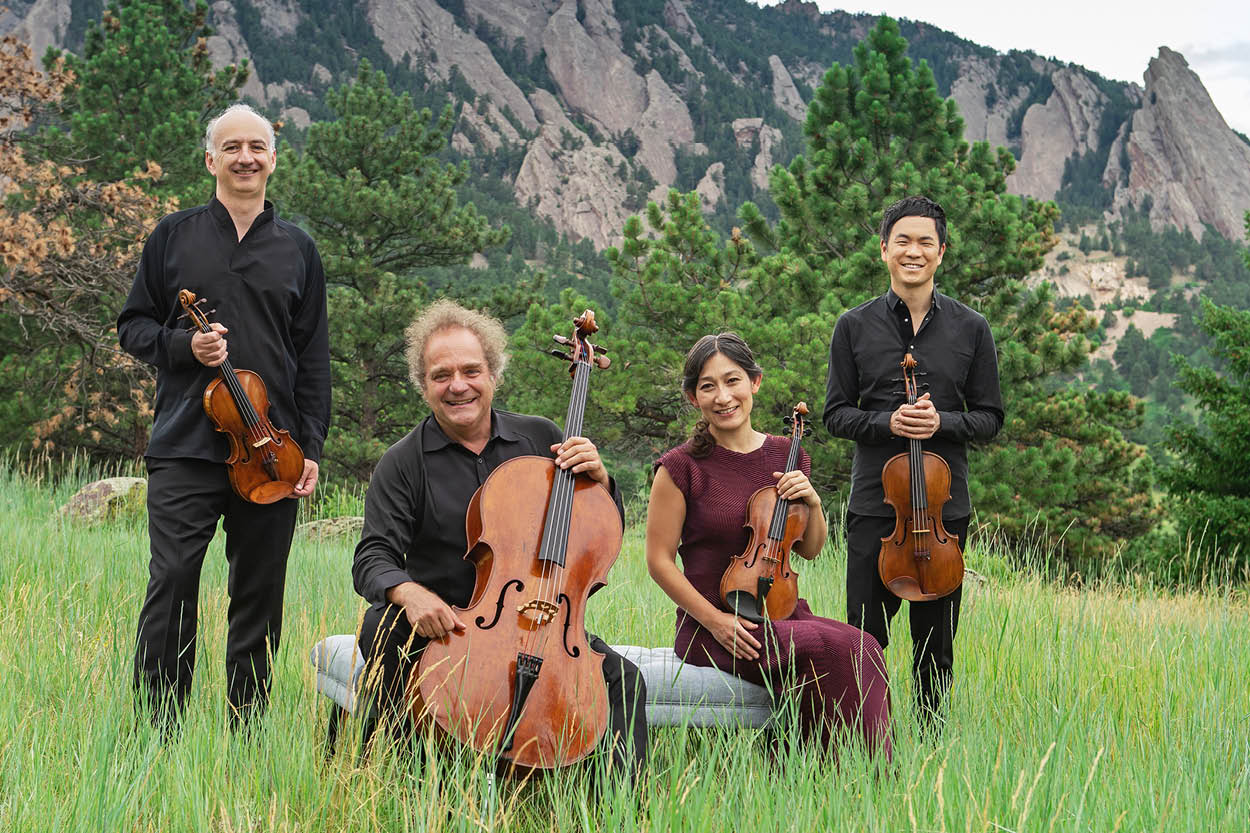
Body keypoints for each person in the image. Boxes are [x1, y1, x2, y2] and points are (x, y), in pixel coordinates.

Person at [351, 299, 647, 777]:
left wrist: (603, 480)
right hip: (446, 621)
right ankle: (400, 775)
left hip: (541, 618)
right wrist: (409, 593)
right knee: (381, 625)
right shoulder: (403, 462)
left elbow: (599, 531)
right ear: (423, 385)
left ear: (494, 373)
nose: (458, 386)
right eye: (441, 375)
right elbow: (372, 556)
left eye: (472, 370)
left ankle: (615, 805)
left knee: (623, 681)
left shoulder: (541, 438)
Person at [118, 103, 331, 727]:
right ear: (211, 160)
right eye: (232, 147)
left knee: (260, 593)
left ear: (273, 159)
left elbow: (312, 358)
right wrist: (185, 347)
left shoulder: (298, 249)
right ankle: (156, 729)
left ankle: (247, 730)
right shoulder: (173, 237)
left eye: (257, 147)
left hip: (272, 451)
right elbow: (132, 326)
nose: (246, 158)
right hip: (185, 445)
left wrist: (310, 447)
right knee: (174, 582)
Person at [645, 333, 892, 758]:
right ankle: (854, 777)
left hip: (781, 615)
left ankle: (836, 776)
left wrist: (813, 502)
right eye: (708, 386)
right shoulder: (680, 467)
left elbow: (810, 550)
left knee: (865, 645)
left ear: (755, 383)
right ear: (692, 397)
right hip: (716, 629)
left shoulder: (786, 454)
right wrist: (715, 622)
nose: (723, 396)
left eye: (733, 380)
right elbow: (658, 561)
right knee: (847, 650)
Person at [823, 195, 1003, 732]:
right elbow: (836, 413)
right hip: (877, 509)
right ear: (884, 250)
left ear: (941, 253)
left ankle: (930, 747)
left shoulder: (972, 329)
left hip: (945, 513)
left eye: (926, 241)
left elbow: (991, 417)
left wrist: (942, 423)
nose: (914, 251)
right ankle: (860, 747)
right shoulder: (852, 327)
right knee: (863, 643)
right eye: (902, 240)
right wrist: (888, 424)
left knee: (935, 649)